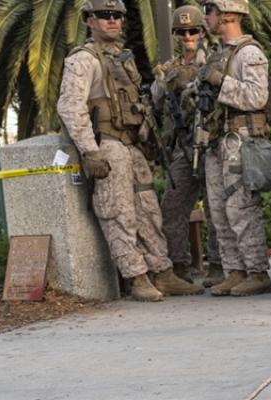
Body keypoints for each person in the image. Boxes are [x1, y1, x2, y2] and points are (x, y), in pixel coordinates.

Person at [56, 0, 200, 301]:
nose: (113, 21)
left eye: (117, 16)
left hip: (132, 144)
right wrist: (90, 150)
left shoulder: (122, 58)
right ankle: (136, 277)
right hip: (107, 144)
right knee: (118, 211)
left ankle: (162, 271)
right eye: (104, 15)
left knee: (148, 209)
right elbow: (70, 106)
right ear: (89, 20)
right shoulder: (84, 59)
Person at [196, 0, 271, 296]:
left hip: (239, 139)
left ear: (227, 13)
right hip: (216, 140)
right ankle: (234, 270)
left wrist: (220, 82)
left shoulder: (249, 53)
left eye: (210, 11)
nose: (206, 17)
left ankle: (257, 272)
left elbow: (256, 97)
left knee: (240, 208)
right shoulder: (217, 54)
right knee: (218, 211)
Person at [152, 4, 219, 288]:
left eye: (193, 31)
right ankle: (179, 266)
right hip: (183, 146)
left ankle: (218, 265)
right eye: (182, 32)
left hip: (212, 143)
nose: (188, 36)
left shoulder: (216, 59)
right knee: (172, 206)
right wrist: (163, 83)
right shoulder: (169, 69)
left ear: (202, 31)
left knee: (216, 207)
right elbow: (156, 104)